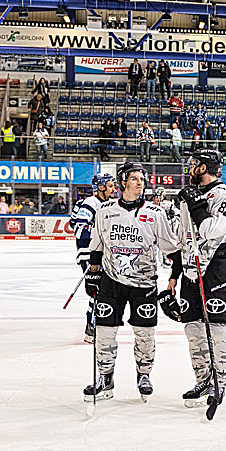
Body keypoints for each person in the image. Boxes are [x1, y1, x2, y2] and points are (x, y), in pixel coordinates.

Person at [82, 162, 180, 403]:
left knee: (145, 333)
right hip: (111, 281)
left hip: (144, 284)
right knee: (104, 331)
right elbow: (97, 245)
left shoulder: (155, 213)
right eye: (134, 178)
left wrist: (175, 275)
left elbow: (170, 248)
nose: (140, 183)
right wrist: (93, 274)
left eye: (142, 179)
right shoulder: (105, 210)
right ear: (123, 182)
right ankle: (105, 377)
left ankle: (144, 375)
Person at [166, 149, 226, 407]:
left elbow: (214, 230)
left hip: (220, 265)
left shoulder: (224, 194)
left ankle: (219, 382)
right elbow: (183, 238)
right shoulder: (189, 197)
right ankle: (203, 379)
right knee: (192, 326)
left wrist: (196, 204)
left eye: (194, 164)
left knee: (216, 325)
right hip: (191, 267)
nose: (190, 168)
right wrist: (174, 275)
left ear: (204, 167)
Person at [71, 173, 118, 342]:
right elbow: (79, 228)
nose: (113, 189)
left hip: (100, 254)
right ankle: (92, 327)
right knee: (97, 290)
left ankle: (96, 326)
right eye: (110, 186)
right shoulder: (91, 203)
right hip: (89, 254)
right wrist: (99, 233)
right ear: (100, 187)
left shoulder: (107, 204)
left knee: (103, 290)